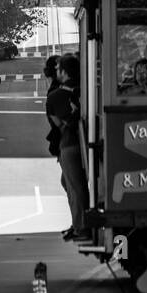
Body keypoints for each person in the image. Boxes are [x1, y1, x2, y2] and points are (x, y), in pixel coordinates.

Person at [49, 55, 90, 241]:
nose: (56, 72)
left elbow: (58, 124)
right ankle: (78, 223)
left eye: (59, 69)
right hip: (87, 142)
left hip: (69, 145)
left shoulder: (56, 96)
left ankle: (82, 227)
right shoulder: (86, 89)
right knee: (70, 184)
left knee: (75, 187)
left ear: (64, 72)